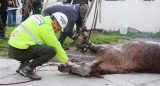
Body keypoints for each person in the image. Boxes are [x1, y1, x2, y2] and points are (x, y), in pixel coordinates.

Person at [8, 12, 74, 80]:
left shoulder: (38, 17)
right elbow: (56, 45)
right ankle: (29, 69)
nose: (57, 32)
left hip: (11, 48)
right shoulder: (46, 28)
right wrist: (66, 61)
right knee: (51, 50)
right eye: (58, 29)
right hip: (18, 52)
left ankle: (23, 66)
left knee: (39, 43)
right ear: (54, 23)